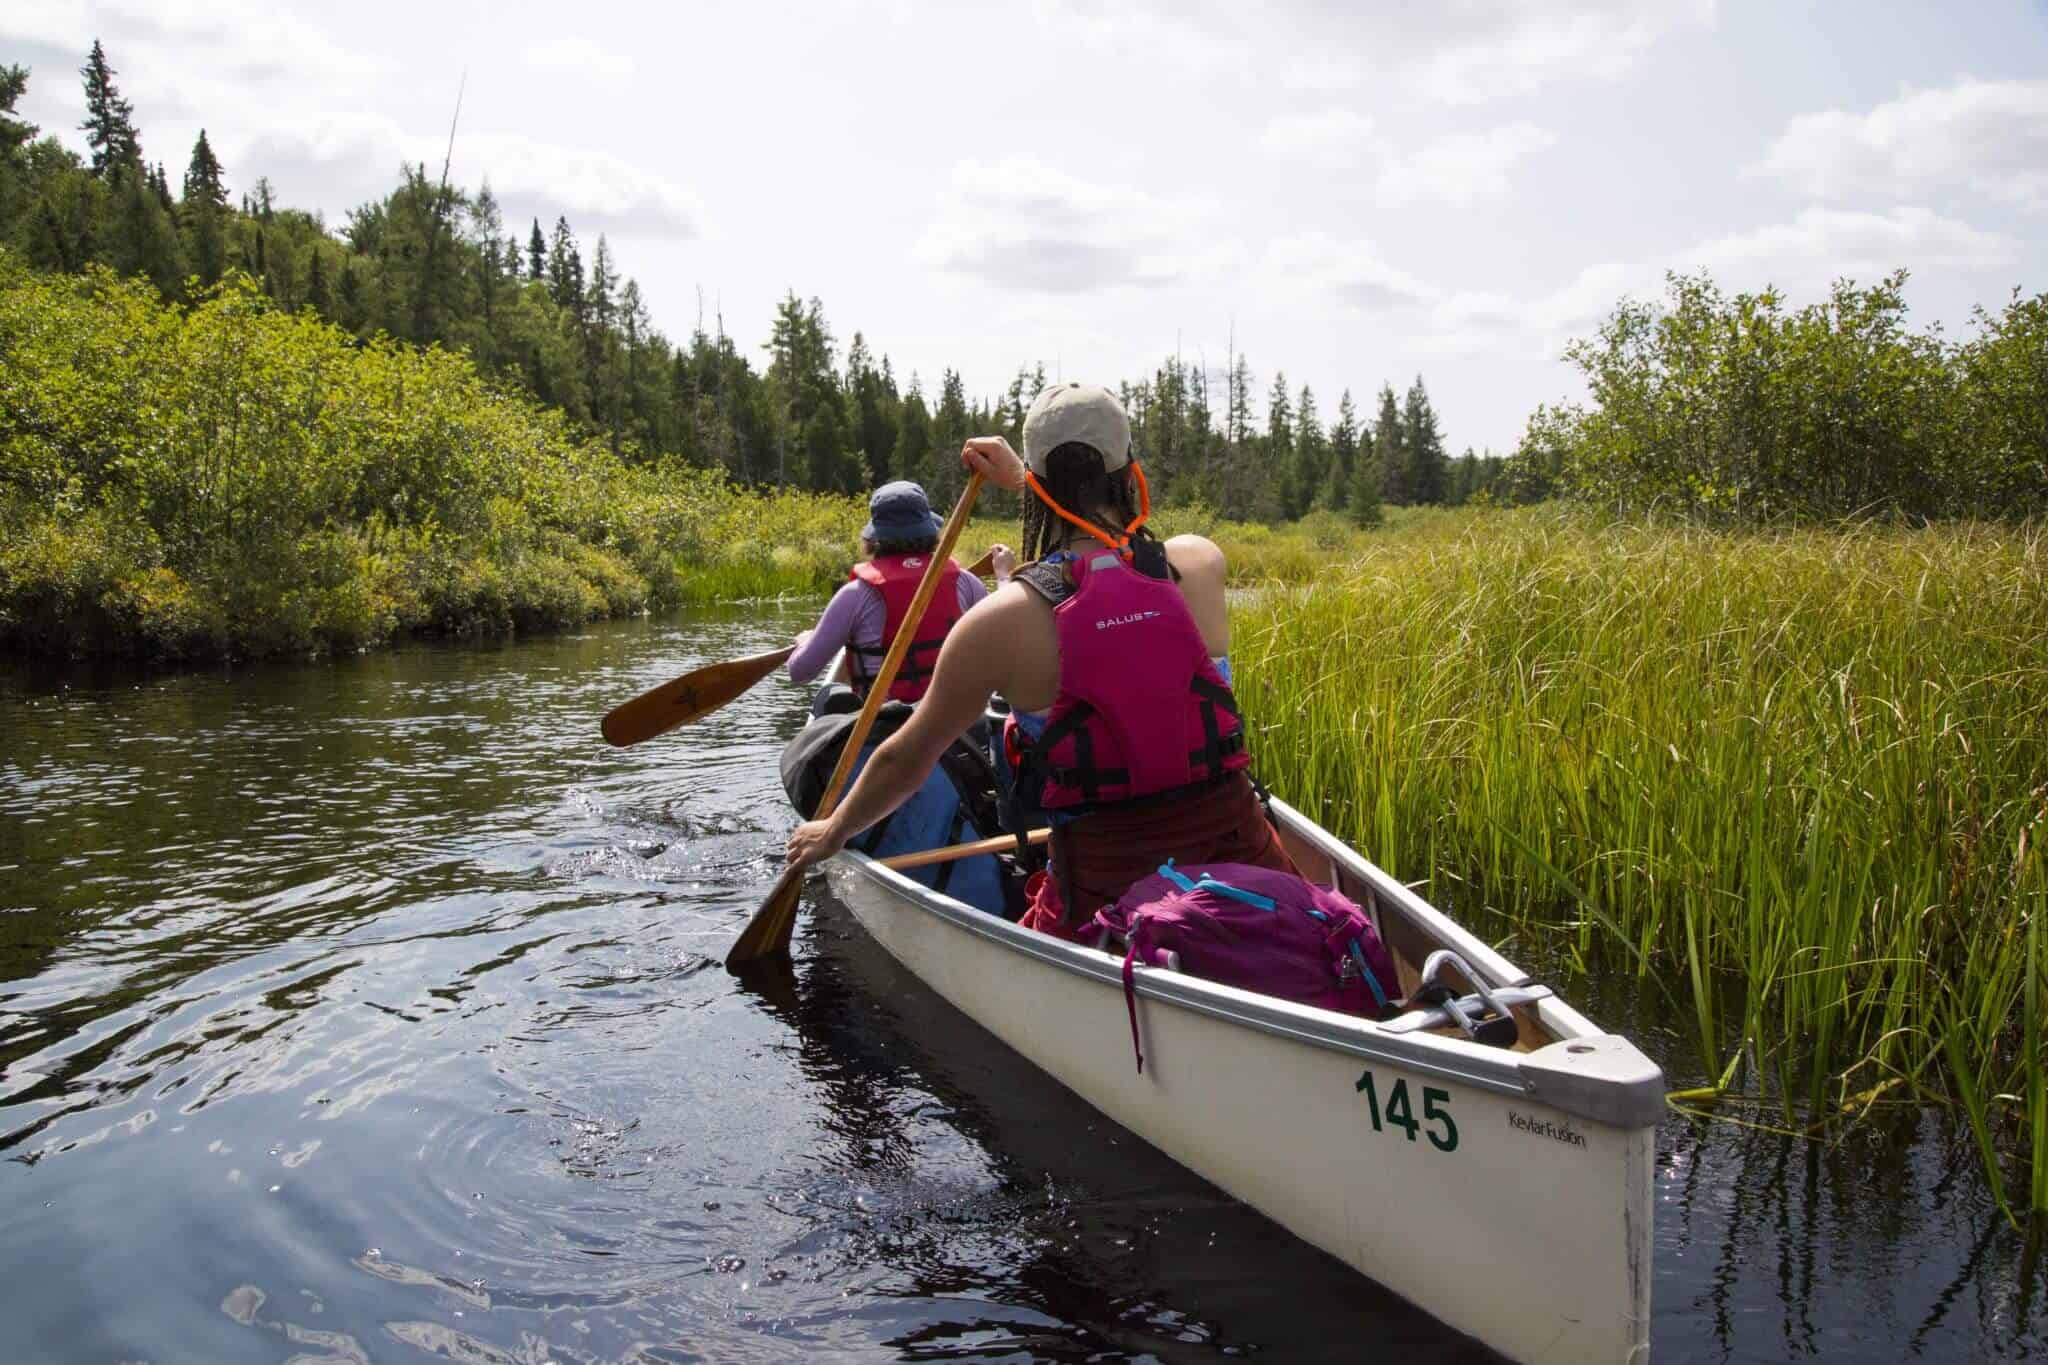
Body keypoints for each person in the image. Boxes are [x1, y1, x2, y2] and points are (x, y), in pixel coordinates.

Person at [785, 383, 1297, 938]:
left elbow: (905, 759)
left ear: (1037, 485)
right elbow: (1120, 564)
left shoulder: (999, 623)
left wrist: (833, 830)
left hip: (1104, 893)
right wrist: (1028, 483)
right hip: (1246, 861)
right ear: (1132, 472)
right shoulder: (1200, 563)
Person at [786, 479, 1011, 711]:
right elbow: (1008, 635)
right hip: (955, 726)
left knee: (830, 699)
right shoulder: (965, 582)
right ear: (930, 530)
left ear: (874, 538)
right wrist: (1004, 576)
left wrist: (805, 643)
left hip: (883, 728)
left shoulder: (854, 595)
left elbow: (800, 672)